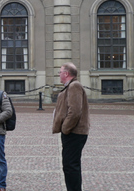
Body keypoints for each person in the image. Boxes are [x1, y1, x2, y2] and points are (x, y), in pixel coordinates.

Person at [53, 62, 90, 191]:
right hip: (73, 133)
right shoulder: (70, 86)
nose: (59, 74)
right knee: (70, 165)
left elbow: (74, 111)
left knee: (70, 166)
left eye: (60, 72)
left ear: (66, 73)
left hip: (75, 133)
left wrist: (65, 128)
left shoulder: (74, 86)